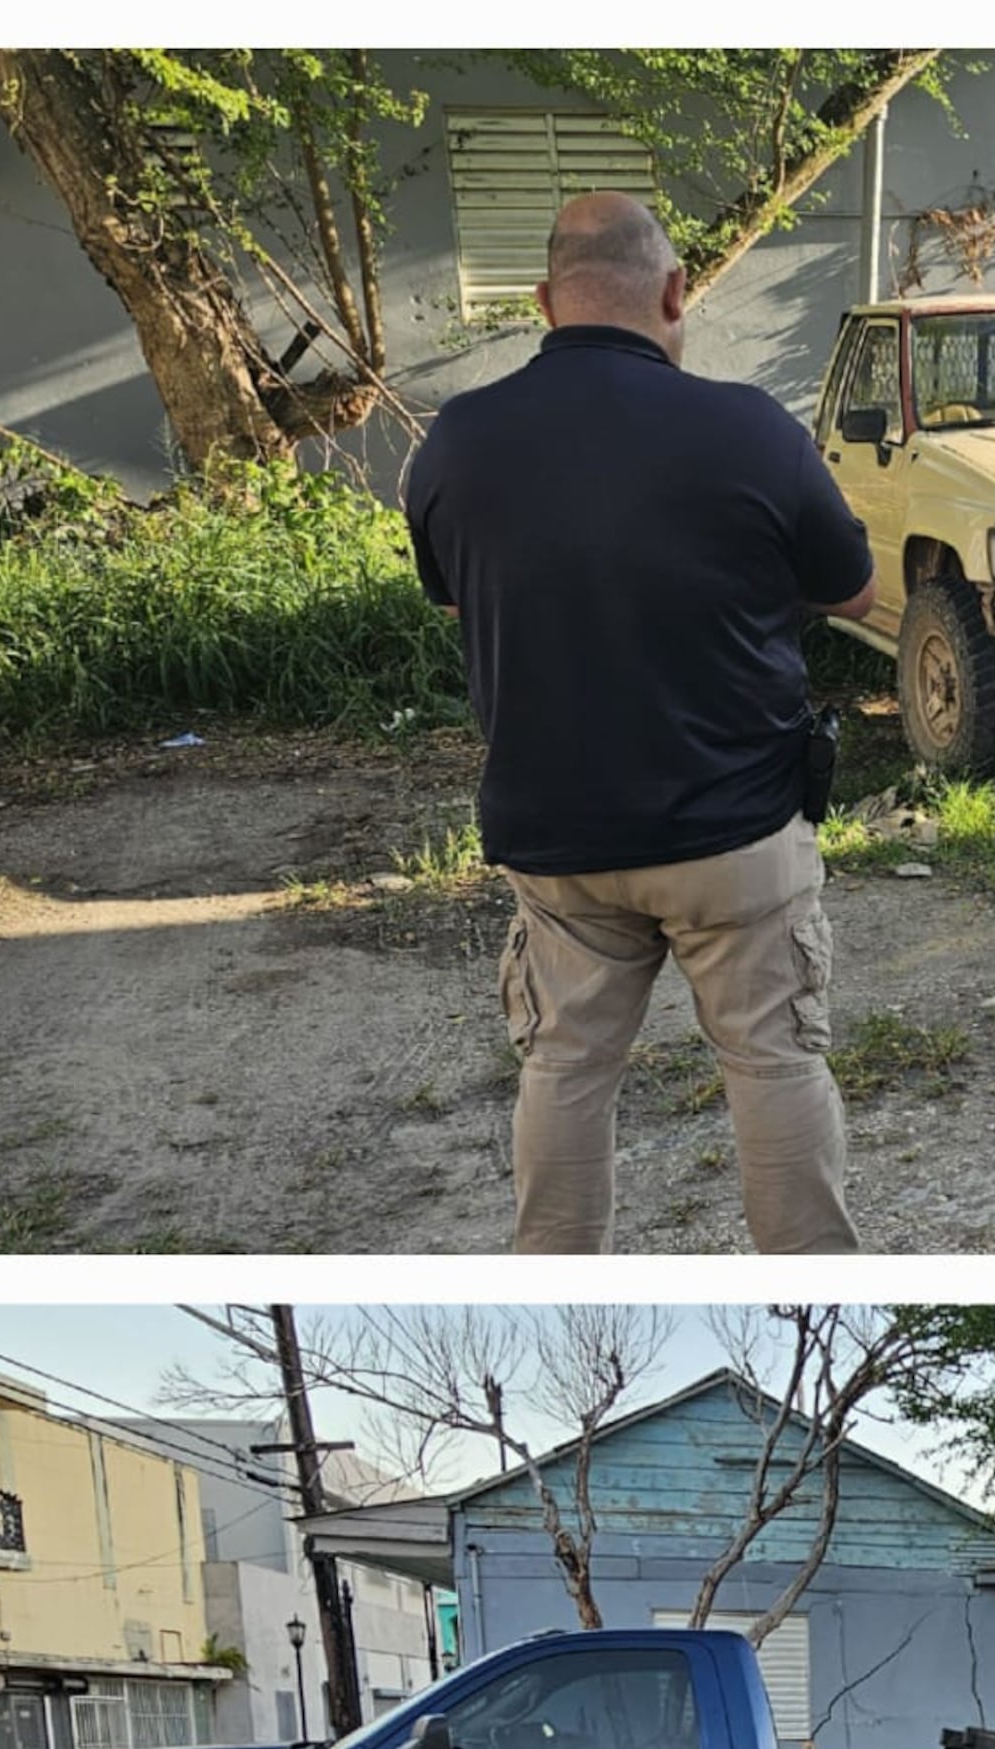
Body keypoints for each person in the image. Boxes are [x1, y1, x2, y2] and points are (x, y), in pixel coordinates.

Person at [406, 192, 878, 1254]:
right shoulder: (748, 426)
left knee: (565, 1069)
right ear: (674, 292)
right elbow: (851, 589)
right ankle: (809, 1283)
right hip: (735, 833)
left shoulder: (459, 439)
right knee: (773, 1061)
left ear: (544, 302)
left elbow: (458, 598)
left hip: (556, 839)